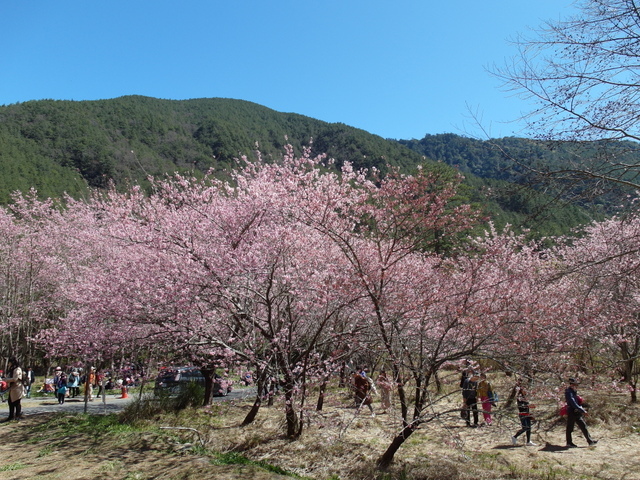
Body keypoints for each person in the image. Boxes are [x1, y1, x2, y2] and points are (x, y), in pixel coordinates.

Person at [565, 378, 597, 447]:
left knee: (583, 426)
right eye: (574, 384)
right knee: (570, 428)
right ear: (571, 384)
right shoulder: (569, 392)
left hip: (577, 412)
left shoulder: (573, 391)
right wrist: (582, 410)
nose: (576, 386)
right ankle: (569, 443)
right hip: (572, 412)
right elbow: (572, 402)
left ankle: (590, 441)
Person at [511, 377, 536, 446]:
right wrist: (528, 406)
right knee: (525, 427)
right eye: (524, 389)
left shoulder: (525, 396)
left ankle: (528, 441)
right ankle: (515, 436)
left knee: (529, 427)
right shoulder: (520, 397)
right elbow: (521, 405)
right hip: (522, 414)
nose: (525, 391)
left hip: (527, 413)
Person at [4, 357, 25, 421]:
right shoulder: (12, 369)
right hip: (12, 388)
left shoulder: (17, 369)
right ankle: (11, 416)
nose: (8, 364)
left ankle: (17, 416)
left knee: (17, 402)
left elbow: (15, 379)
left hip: (17, 388)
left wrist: (6, 380)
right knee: (10, 402)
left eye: (9, 363)